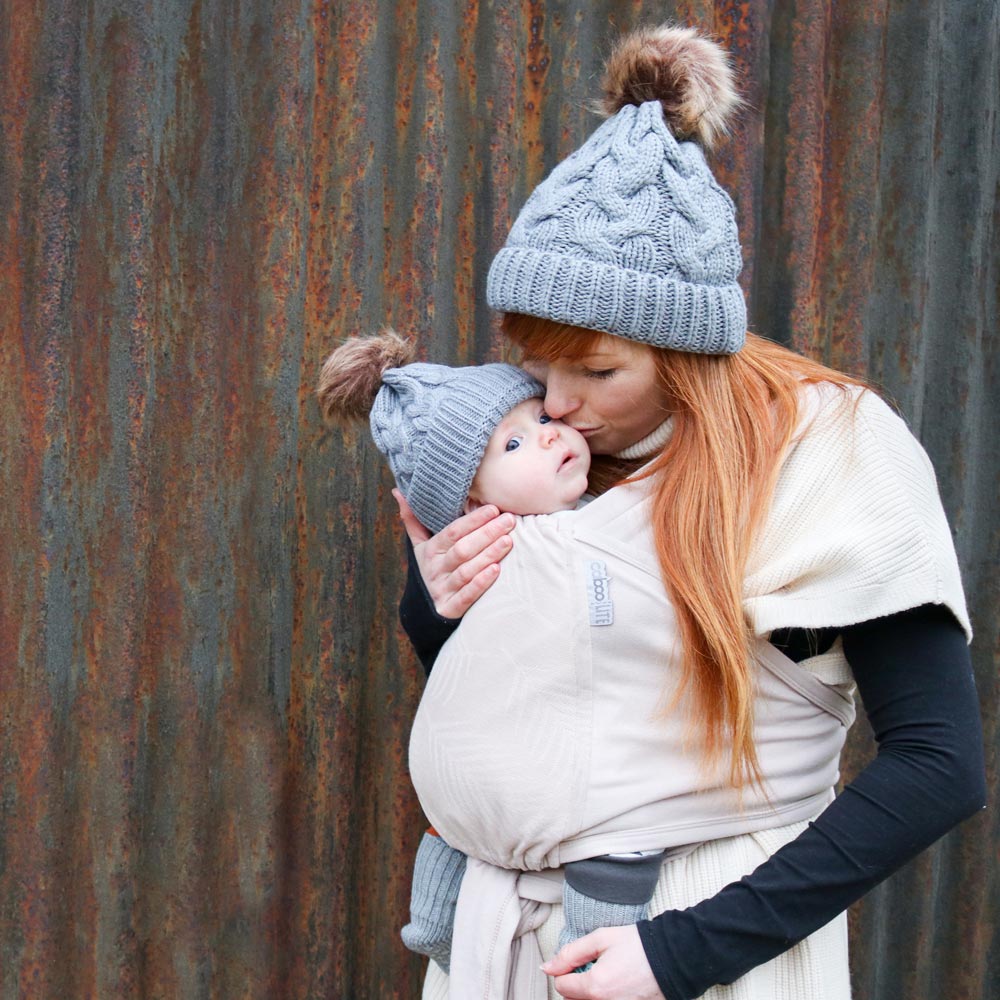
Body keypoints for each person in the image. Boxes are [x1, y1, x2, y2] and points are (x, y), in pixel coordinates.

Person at [394, 23, 987, 1000]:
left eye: (595, 369)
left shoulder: (824, 452)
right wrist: (438, 604)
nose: (555, 402)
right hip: (498, 944)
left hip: (690, 946)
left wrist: (683, 951)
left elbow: (936, 764)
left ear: (685, 350)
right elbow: (524, 693)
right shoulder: (546, 442)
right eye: (538, 362)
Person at [315, 329, 669, 976]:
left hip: (566, 763)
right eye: (512, 444)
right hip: (510, 765)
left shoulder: (612, 510)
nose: (549, 433)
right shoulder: (493, 549)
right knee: (487, 825)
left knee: (607, 832)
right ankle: (442, 929)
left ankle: (586, 949)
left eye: (537, 417)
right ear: (473, 504)